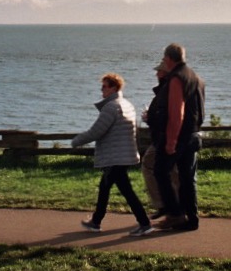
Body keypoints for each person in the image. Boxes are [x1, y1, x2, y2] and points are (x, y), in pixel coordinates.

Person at [72, 73, 153, 236]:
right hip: (124, 154)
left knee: (126, 190)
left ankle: (144, 223)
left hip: (115, 156)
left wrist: (77, 141)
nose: (102, 90)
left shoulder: (111, 107)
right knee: (105, 187)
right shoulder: (127, 104)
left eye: (104, 86)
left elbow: (97, 131)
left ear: (114, 88)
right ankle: (96, 221)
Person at [151, 43, 205, 231]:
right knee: (187, 178)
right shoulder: (195, 77)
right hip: (194, 134)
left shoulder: (176, 78)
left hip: (179, 135)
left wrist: (171, 141)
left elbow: (177, 112)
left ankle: (174, 214)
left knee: (160, 171)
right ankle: (191, 218)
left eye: (164, 59)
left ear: (168, 58)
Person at [140, 62, 180, 216]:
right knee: (173, 171)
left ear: (165, 73)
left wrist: (150, 118)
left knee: (154, 167)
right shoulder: (167, 89)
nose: (156, 74)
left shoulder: (167, 90)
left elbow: (166, 116)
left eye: (159, 72)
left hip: (164, 138)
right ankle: (172, 205)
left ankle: (167, 206)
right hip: (164, 138)